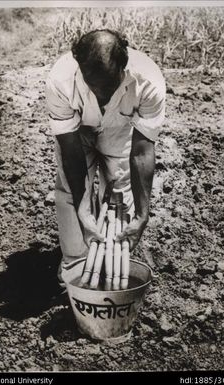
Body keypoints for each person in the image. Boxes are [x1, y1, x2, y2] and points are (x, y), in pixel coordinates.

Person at [45, 29, 166, 282]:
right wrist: (83, 209)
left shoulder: (149, 80)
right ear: (78, 64)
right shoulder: (60, 80)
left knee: (120, 192)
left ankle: (112, 264)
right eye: (92, 84)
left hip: (121, 130)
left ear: (124, 65)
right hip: (78, 130)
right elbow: (70, 150)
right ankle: (76, 264)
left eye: (109, 85)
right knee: (70, 191)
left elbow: (142, 150)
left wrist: (143, 215)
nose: (101, 94)